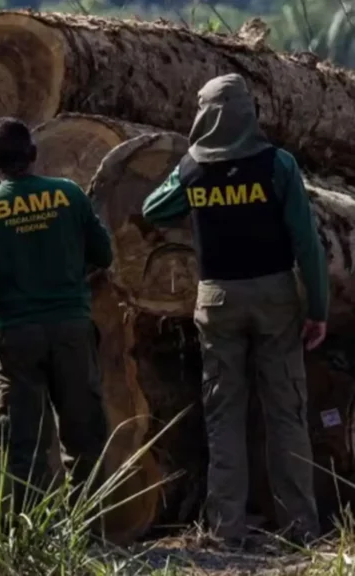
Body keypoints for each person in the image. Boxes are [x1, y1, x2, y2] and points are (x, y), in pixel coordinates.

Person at [141, 73, 327, 547]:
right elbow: (306, 242)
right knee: (285, 412)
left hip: (217, 298)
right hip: (275, 298)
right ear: (249, 113)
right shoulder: (277, 165)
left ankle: (226, 530)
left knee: (224, 412)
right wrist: (318, 308)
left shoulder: (193, 168)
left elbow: (153, 208)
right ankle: (301, 527)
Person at [0, 117, 111, 511]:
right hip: (71, 329)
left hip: (16, 334)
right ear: (33, 154)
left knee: (22, 443)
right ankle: (90, 529)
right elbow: (104, 255)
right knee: (83, 435)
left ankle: (35, 538)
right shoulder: (68, 195)